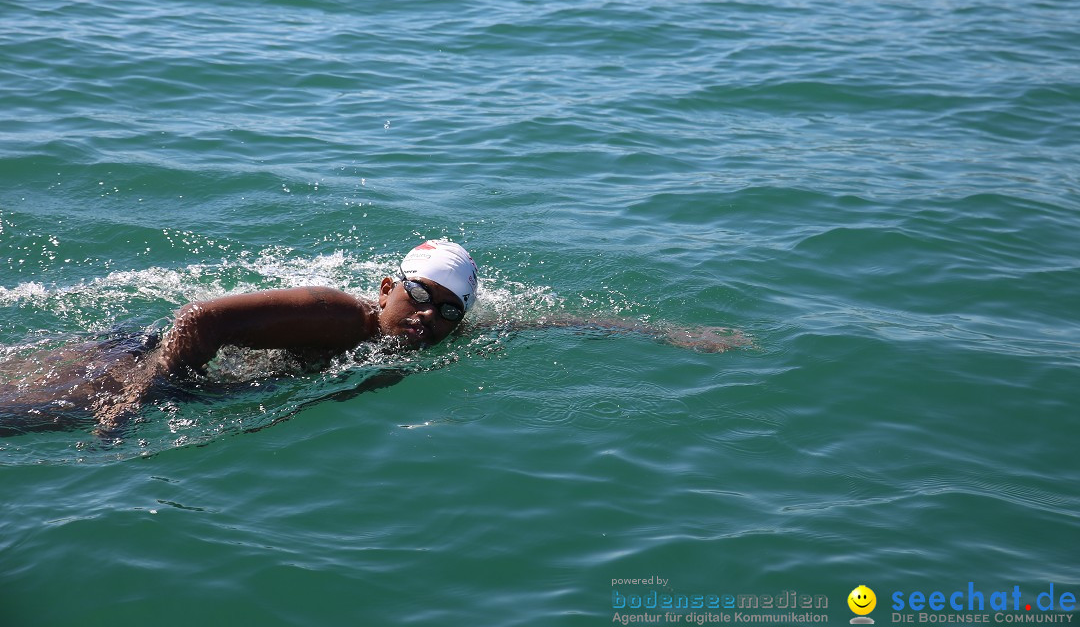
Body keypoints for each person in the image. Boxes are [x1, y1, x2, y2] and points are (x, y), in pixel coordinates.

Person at [1, 239, 746, 437]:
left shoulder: (439, 336)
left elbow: (551, 319)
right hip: (133, 358)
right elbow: (202, 319)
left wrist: (670, 334)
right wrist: (149, 390)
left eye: (448, 312)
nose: (427, 318)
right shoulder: (337, 315)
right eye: (417, 297)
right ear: (387, 287)